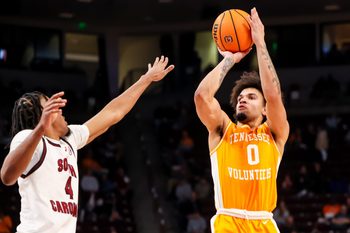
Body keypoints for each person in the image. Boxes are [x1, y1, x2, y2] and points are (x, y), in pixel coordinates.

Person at [0, 56, 174, 233]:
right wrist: (40, 129)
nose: (61, 110)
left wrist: (146, 79)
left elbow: (113, 112)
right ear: (43, 116)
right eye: (53, 106)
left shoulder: (69, 140)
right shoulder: (28, 137)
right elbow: (7, 176)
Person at [194, 8, 289, 233]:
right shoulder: (222, 130)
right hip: (229, 221)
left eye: (251, 97)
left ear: (265, 109)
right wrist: (229, 59)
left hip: (264, 223)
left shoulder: (275, 134)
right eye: (240, 98)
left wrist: (260, 44)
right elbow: (201, 97)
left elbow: (274, 95)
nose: (242, 100)